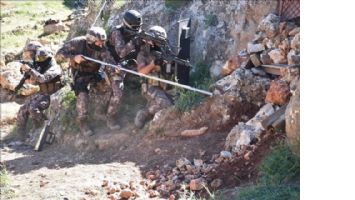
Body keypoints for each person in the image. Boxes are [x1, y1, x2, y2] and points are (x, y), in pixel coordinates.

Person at [56, 26, 121, 136]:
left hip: (95, 73)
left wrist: (115, 68)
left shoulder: (103, 48)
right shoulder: (77, 43)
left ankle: (106, 114)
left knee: (110, 87)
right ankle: (82, 122)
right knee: (82, 95)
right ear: (91, 41)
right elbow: (58, 57)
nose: (101, 45)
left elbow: (109, 62)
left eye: (102, 42)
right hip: (79, 74)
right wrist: (73, 57)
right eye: (99, 43)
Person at [17, 47, 62, 142]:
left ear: (48, 58)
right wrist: (26, 71)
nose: (40, 61)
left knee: (33, 108)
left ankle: (43, 127)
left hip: (52, 94)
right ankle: (21, 137)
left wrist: (30, 70)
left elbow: (42, 79)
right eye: (38, 59)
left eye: (42, 59)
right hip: (42, 93)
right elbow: (33, 81)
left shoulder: (55, 69)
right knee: (22, 110)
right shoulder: (41, 67)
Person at [134, 26, 173, 128]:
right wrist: (152, 64)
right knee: (167, 105)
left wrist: (167, 63)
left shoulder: (164, 51)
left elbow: (169, 73)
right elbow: (141, 72)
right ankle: (145, 113)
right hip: (149, 86)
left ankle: (149, 108)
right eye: (157, 41)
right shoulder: (143, 54)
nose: (158, 44)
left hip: (164, 84)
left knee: (176, 103)